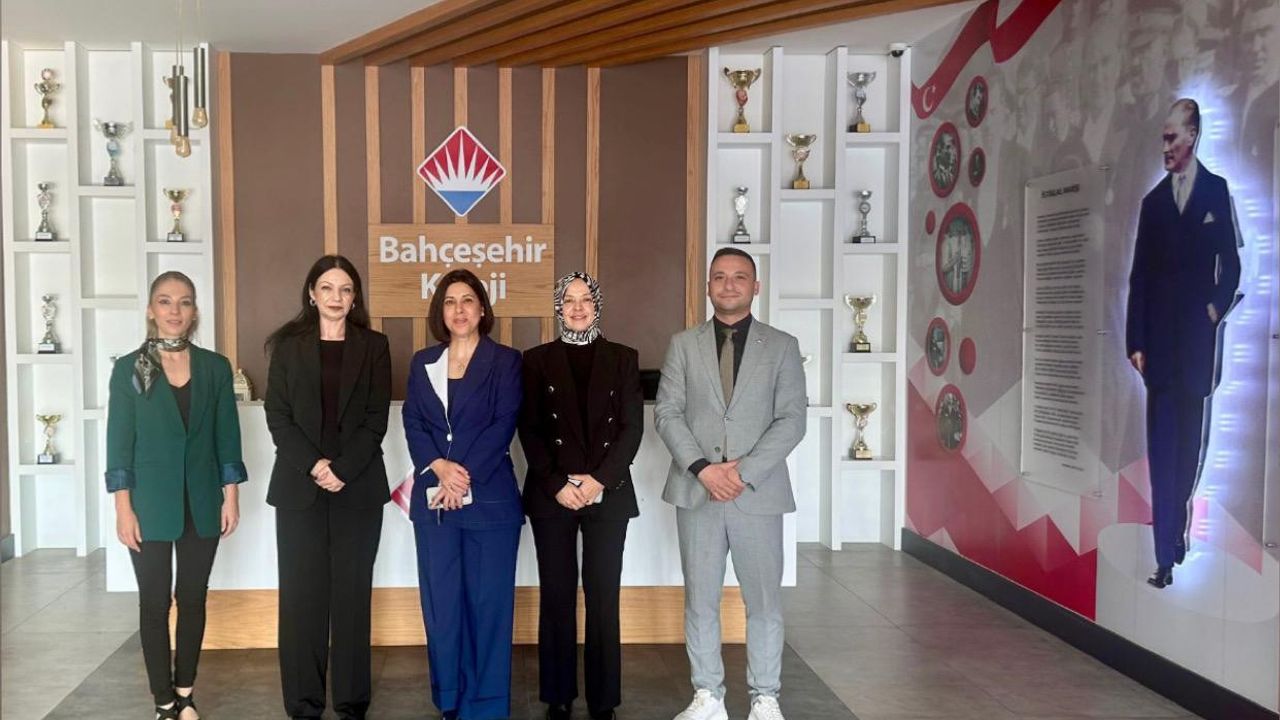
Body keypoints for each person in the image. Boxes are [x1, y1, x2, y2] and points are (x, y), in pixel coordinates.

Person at [655, 248, 807, 720]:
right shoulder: (683, 344)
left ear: (755, 287)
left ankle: (765, 698)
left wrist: (741, 472)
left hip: (756, 493)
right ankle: (708, 696)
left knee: (763, 601)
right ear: (708, 286)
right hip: (697, 491)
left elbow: (792, 420)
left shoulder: (782, 346)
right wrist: (703, 468)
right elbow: (667, 413)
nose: (729, 284)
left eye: (740, 277)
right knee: (700, 600)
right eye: (719, 276)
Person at [105, 271, 246, 720]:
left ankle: (185, 692)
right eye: (165, 301)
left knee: (193, 597)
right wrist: (123, 508)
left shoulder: (215, 368)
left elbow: (227, 436)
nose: (174, 310)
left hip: (202, 502)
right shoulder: (130, 369)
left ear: (194, 311)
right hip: (148, 506)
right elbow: (119, 443)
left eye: (184, 302)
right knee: (154, 602)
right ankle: (163, 701)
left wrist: (230, 496)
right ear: (151, 310)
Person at [264, 255, 391, 719]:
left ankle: (352, 703)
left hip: (358, 488)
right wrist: (316, 465)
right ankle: (303, 703)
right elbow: (278, 416)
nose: (336, 297)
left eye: (345, 289)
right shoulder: (287, 346)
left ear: (355, 298)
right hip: (300, 488)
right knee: (302, 598)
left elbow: (376, 418)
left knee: (352, 597)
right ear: (312, 294)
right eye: (327, 288)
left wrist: (342, 469)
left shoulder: (374, 346)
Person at [1125, 98, 1240, 589]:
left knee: (1188, 453)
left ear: (1192, 135)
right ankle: (1164, 558)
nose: (1165, 147)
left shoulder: (1216, 190)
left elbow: (1231, 265)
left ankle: (1176, 534)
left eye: (1172, 137)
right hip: (1158, 353)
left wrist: (1214, 311)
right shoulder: (1153, 203)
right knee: (1162, 454)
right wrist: (1135, 340)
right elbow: (1139, 277)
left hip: (1195, 350)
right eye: (1162, 138)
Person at [519, 272, 644, 720]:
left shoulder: (623, 358)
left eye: (585, 299)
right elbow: (530, 429)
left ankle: (603, 699)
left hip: (607, 492)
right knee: (556, 595)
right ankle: (557, 695)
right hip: (552, 493)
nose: (577, 307)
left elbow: (632, 429)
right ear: (558, 306)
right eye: (568, 300)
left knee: (603, 596)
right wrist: (558, 484)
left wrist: (598, 481)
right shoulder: (536, 360)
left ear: (597, 305)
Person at [403, 269, 523, 720]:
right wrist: (438, 467)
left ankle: (486, 705)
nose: (459, 309)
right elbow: (414, 421)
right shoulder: (423, 362)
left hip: (490, 503)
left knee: (488, 607)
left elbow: (503, 423)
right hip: (435, 504)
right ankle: (449, 697)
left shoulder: (506, 361)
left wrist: (461, 476)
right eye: (450, 301)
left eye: (468, 300)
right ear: (441, 311)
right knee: (442, 606)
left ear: (482, 309)